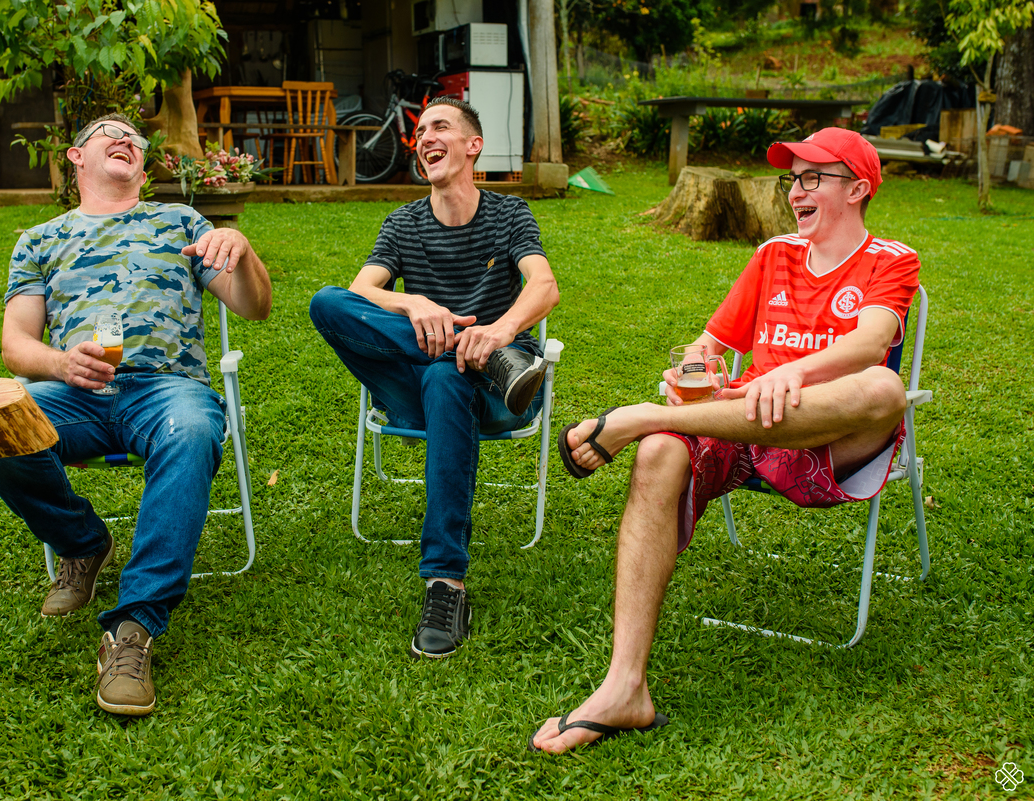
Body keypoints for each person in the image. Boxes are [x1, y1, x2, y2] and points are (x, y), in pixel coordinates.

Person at [530, 128, 920, 752]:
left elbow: (871, 344)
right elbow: (708, 348)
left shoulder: (890, 260)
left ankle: (638, 418)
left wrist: (788, 375)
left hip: (826, 445)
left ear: (859, 188)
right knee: (660, 453)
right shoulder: (771, 257)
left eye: (813, 177)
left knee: (881, 389)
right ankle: (624, 686)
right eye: (793, 179)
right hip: (742, 432)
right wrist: (692, 373)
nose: (796, 191)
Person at [0, 113, 272, 717]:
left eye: (134, 139)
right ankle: (83, 544)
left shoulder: (182, 223)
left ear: (142, 165)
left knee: (191, 431)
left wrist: (242, 252)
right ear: (75, 157)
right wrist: (60, 365)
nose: (125, 138)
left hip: (166, 390)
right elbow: (16, 345)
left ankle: (135, 624)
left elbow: (254, 307)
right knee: (0, 430)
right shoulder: (39, 239)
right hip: (75, 389)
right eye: (106, 133)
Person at [308, 97, 560, 659]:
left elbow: (544, 287)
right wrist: (414, 302)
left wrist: (496, 333)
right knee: (328, 302)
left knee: (449, 379)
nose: (425, 138)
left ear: (474, 146)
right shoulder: (403, 223)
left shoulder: (509, 214)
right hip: (416, 382)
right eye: (420, 132)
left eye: (440, 127)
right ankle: (464, 358)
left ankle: (444, 583)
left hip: (496, 391)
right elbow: (358, 292)